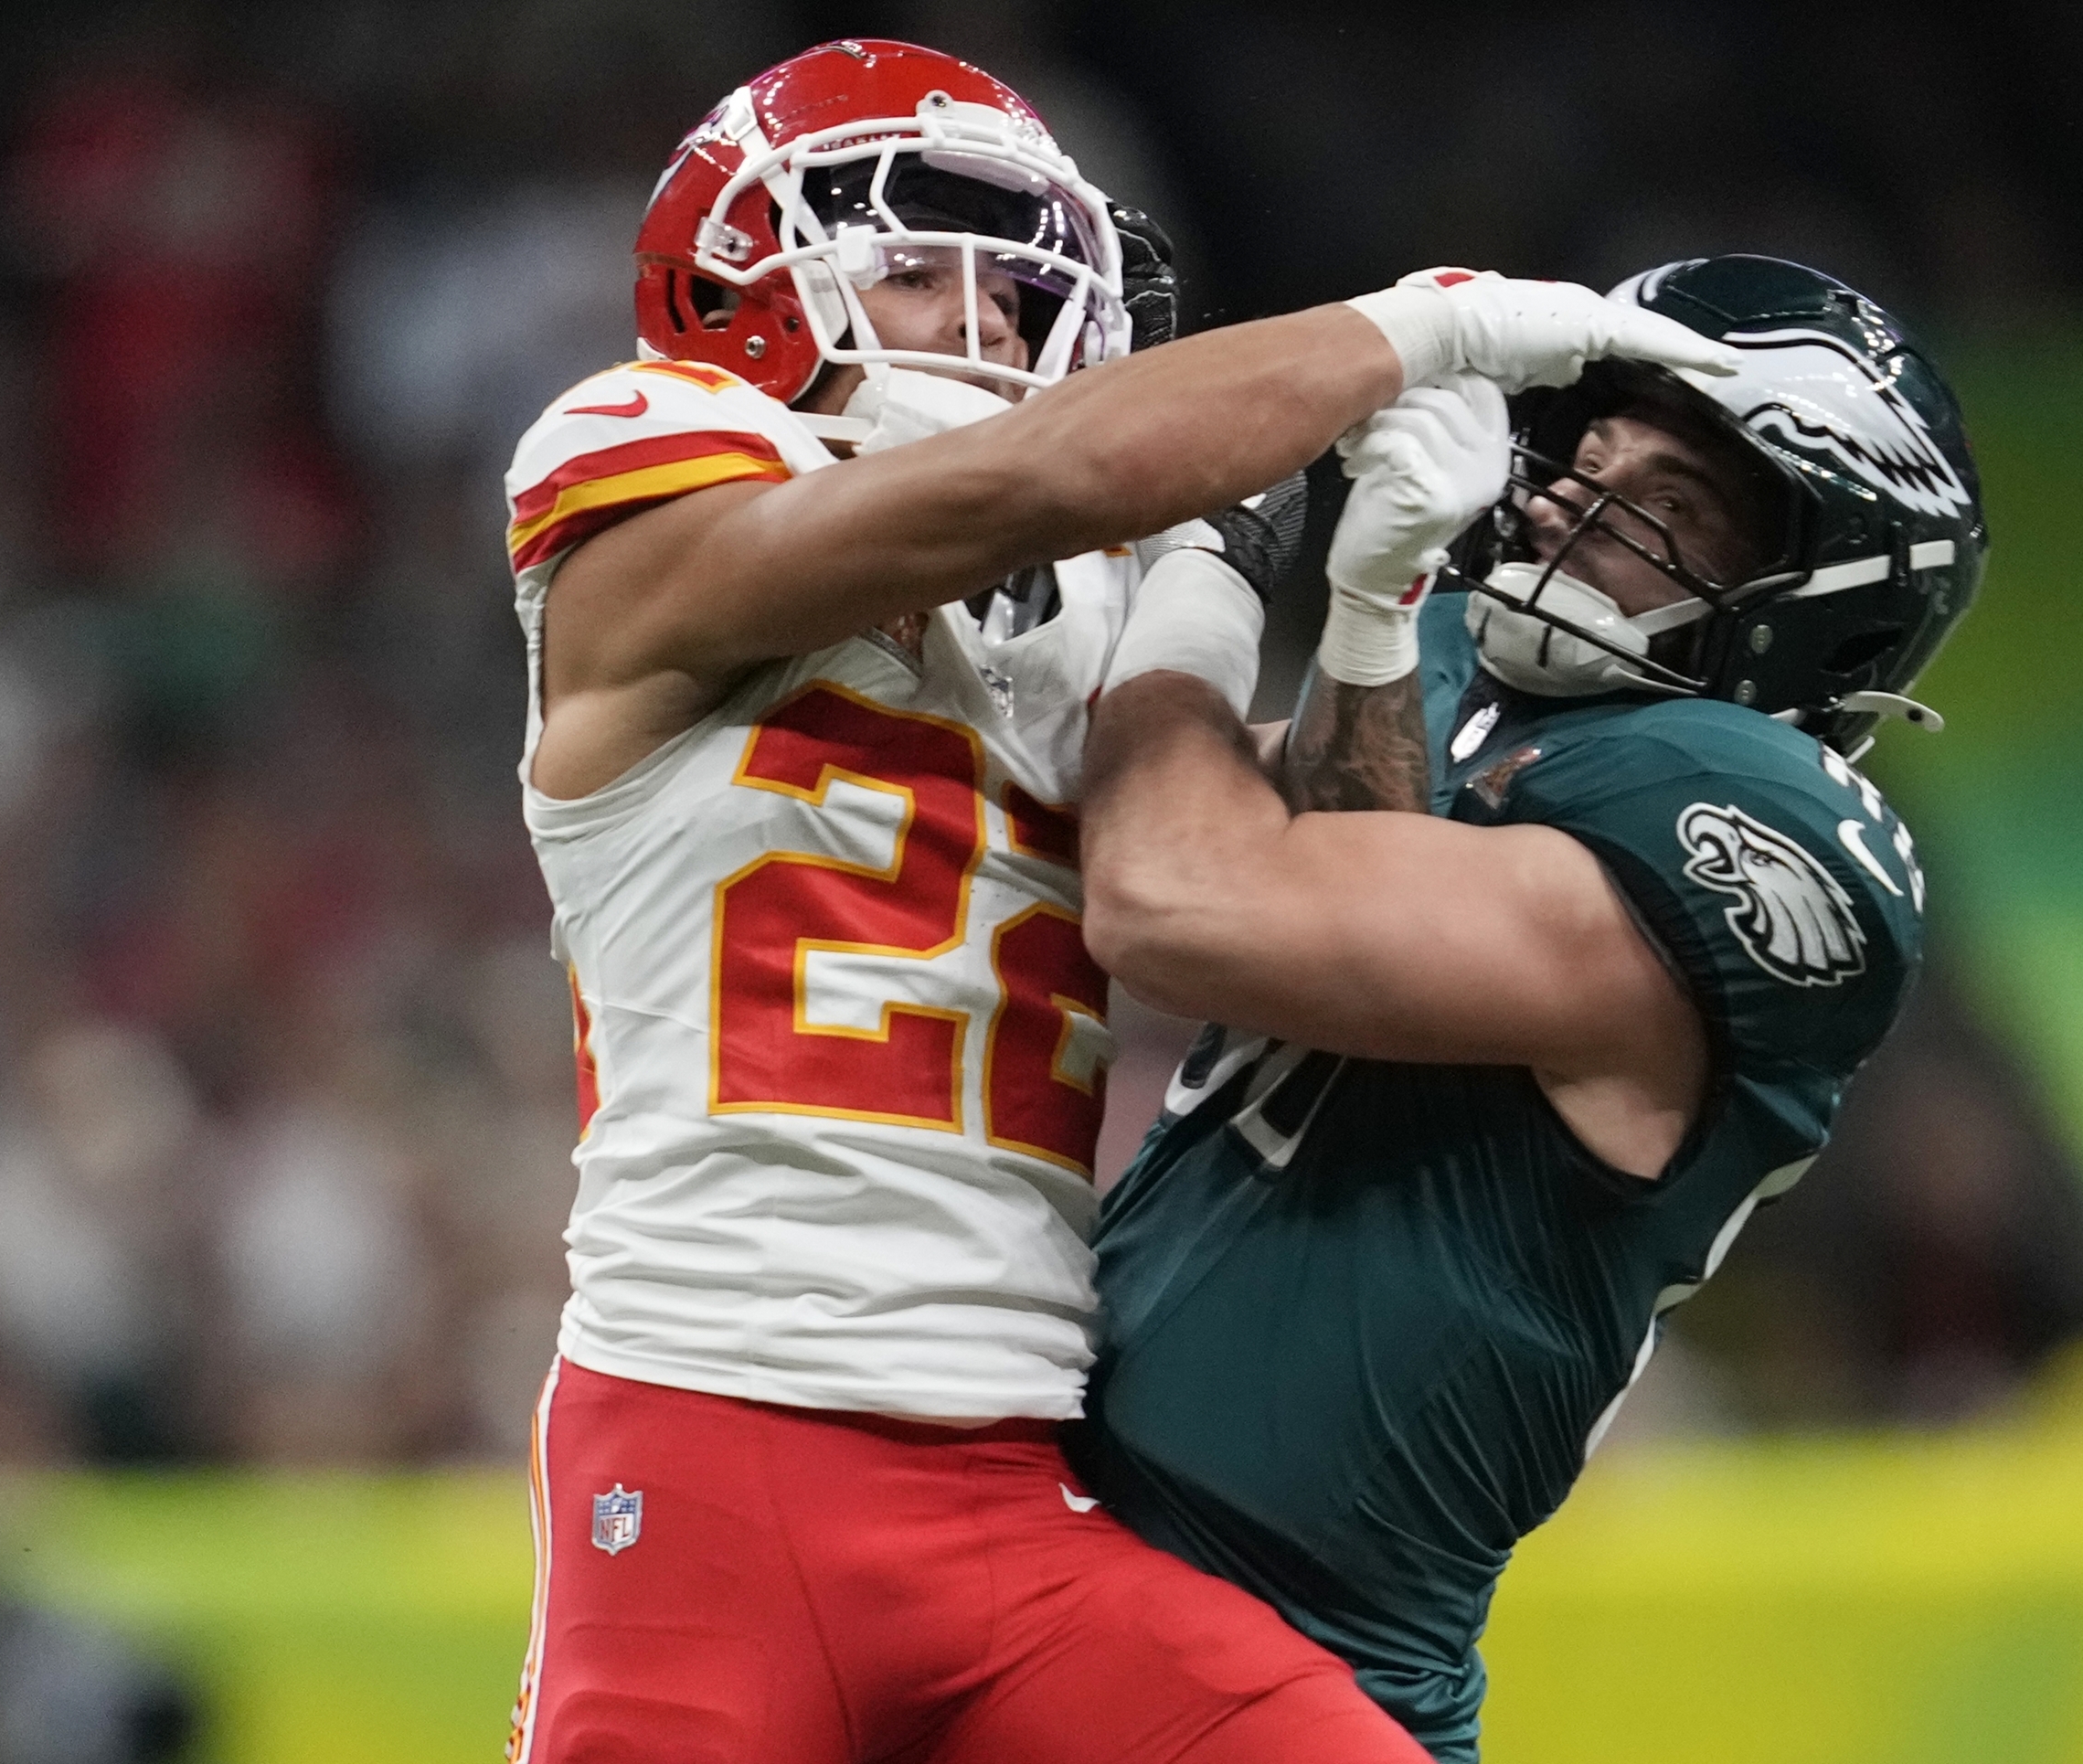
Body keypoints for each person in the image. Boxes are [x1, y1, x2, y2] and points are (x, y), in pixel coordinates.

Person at [497, 35, 1734, 1764]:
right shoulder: (649, 467)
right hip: (710, 1438)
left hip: (1014, 1485)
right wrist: (1414, 328)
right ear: (738, 291)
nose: (983, 324)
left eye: (1016, 295)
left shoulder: (1077, 604)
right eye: (916, 269)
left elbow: (1317, 881)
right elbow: (1045, 476)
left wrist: (1351, 603)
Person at [1070, 254, 1983, 1762]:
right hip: (1071, 1551)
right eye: (1588, 458)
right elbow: (1197, 822)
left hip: (1304, 1651)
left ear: (1824, 607)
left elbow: (1182, 901)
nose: (1572, 503)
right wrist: (1366, 621)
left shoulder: (1757, 822)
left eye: (1669, 502)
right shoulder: (1453, 667)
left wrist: (1205, 568)